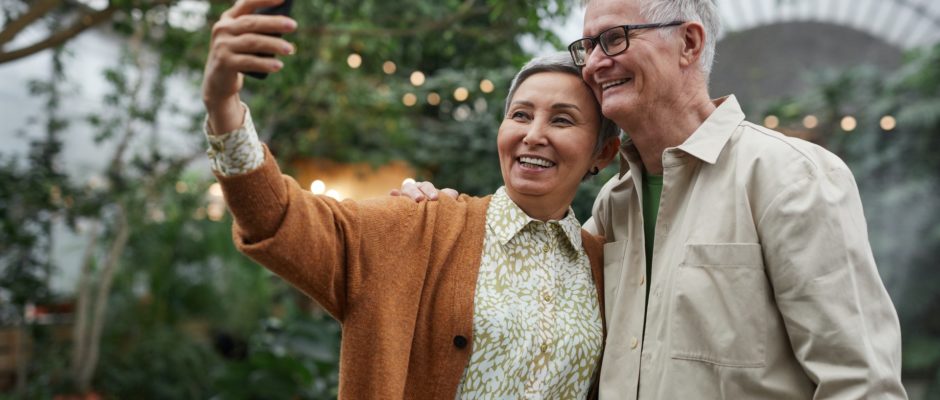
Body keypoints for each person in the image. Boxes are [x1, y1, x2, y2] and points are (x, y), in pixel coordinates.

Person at [399, 0, 908, 398]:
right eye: (588, 45)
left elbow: (860, 384)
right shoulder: (611, 208)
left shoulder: (789, 176)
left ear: (688, 42)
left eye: (614, 39)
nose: (595, 63)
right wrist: (438, 219)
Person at [201, 1, 621, 398]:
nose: (533, 135)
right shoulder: (418, 226)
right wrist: (222, 103)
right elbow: (278, 218)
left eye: (562, 119)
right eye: (520, 115)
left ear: (602, 153)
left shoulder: (609, 268)